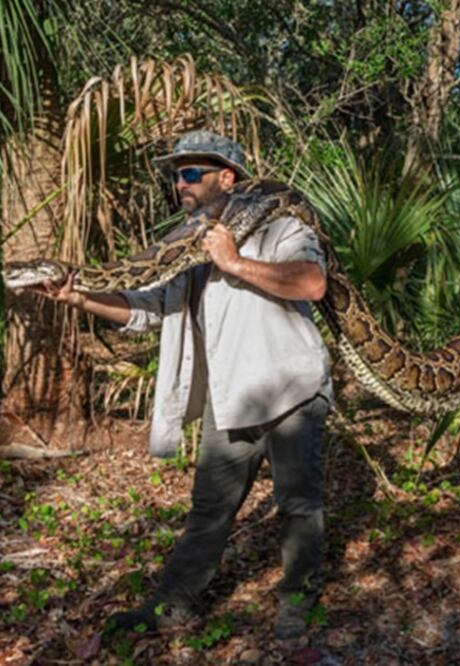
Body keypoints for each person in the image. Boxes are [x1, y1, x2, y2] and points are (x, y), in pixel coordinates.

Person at [27, 130, 332, 639]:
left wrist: (233, 261)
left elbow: (312, 282)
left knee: (298, 505)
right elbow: (143, 310)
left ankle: (298, 602)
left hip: (291, 390)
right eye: (175, 175)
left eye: (191, 173)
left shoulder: (278, 225)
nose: (179, 183)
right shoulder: (184, 246)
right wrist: (78, 296)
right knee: (209, 510)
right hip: (230, 396)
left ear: (227, 178)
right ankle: (172, 605)